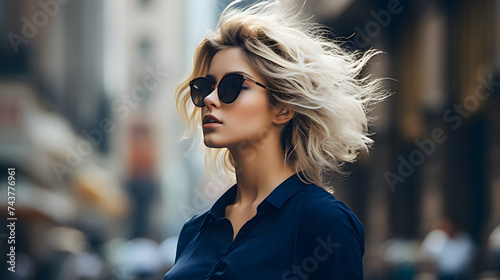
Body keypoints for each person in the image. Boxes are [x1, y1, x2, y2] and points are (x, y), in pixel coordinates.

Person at [164, 1, 388, 279]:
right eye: (204, 88)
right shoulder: (194, 231)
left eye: (233, 85)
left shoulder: (323, 221)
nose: (209, 99)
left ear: (282, 108)